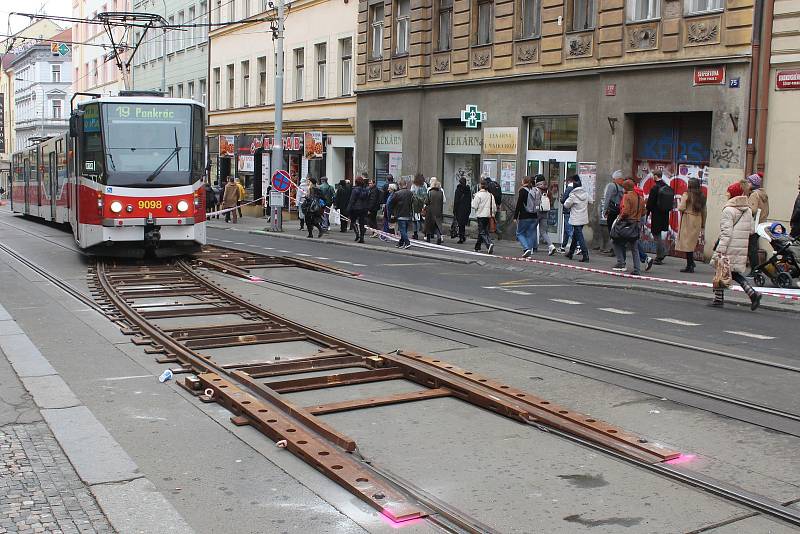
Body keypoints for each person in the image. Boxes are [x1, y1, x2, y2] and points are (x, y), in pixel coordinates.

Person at [711, 182, 761, 310]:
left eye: (728, 192)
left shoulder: (728, 210)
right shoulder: (748, 210)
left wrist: (720, 250)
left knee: (721, 269)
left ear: (732, 194)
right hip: (741, 246)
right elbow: (751, 230)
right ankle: (752, 293)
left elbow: (726, 233)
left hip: (728, 245)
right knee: (732, 272)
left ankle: (719, 299)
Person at [612, 178, 646, 275]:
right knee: (634, 247)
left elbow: (625, 211)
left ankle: (621, 262)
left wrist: (619, 218)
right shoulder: (640, 197)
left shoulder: (626, 196)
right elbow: (644, 211)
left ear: (625, 188)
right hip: (637, 224)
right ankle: (637, 269)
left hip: (627, 223)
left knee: (615, 241)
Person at [675, 178, 707, 273]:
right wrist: (703, 224)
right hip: (697, 219)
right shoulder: (701, 196)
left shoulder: (687, 195)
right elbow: (704, 211)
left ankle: (690, 265)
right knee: (691, 243)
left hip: (688, 219)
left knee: (687, 243)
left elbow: (681, 208)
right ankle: (691, 263)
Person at [646, 170, 672, 265]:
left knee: (656, 234)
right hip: (664, 214)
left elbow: (650, 204)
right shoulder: (667, 187)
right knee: (659, 234)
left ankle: (661, 254)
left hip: (656, 215)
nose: (653, 177)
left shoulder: (655, 188)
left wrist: (647, 213)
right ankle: (662, 252)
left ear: (656, 176)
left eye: (653, 175)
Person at [745, 173, 769, 276]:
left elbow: (753, 210)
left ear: (753, 184)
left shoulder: (754, 194)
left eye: (749, 182)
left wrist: (746, 208)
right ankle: (757, 269)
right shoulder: (763, 194)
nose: (747, 184)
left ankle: (755, 269)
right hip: (762, 223)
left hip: (754, 224)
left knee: (752, 247)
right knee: (754, 245)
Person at [563, 176, 590, 262]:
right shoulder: (585, 194)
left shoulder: (573, 195)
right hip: (583, 217)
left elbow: (566, 205)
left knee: (579, 236)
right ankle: (571, 252)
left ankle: (585, 255)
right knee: (575, 235)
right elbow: (591, 201)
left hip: (575, 218)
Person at [512, 176, 539, 258]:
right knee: (530, 234)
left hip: (525, 216)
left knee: (519, 233)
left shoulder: (522, 191)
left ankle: (526, 248)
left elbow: (519, 204)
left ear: (524, 182)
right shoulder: (535, 190)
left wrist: (515, 216)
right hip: (534, 215)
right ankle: (529, 251)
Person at [471, 180, 497, 254]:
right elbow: (494, 207)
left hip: (481, 215)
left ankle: (489, 244)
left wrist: (473, 199)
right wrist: (492, 214)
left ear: (480, 186)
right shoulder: (490, 195)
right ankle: (477, 247)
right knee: (483, 231)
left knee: (482, 232)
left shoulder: (478, 195)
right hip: (488, 215)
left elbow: (474, 206)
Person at [535, 175, 557, 255]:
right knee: (543, 231)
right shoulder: (547, 190)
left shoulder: (536, 190)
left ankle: (533, 247)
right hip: (545, 212)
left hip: (537, 212)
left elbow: (534, 201)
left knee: (533, 229)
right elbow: (551, 201)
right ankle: (551, 245)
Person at [389, 179, 413, 249]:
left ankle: (407, 243)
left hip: (400, 214)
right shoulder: (410, 193)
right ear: (406, 184)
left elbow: (391, 203)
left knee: (402, 230)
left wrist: (392, 212)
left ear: (399, 185)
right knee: (404, 230)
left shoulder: (397, 194)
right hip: (408, 214)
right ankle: (401, 243)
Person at [603, 170, 625, 241]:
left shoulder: (611, 186)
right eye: (621, 179)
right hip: (620, 211)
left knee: (611, 229)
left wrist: (605, 210)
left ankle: (614, 247)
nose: (622, 180)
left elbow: (607, 198)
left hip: (612, 211)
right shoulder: (623, 188)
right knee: (618, 230)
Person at [347, 176, 370, 243]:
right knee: (362, 223)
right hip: (364, 208)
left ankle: (357, 234)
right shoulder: (366, 190)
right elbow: (367, 200)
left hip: (355, 208)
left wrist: (348, 209)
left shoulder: (355, 190)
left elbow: (352, 200)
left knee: (353, 221)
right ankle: (362, 237)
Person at [423, 177, 446, 244]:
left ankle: (428, 238)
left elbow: (426, 202)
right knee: (438, 225)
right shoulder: (441, 193)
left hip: (430, 211)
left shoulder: (430, 192)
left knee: (429, 225)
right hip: (438, 211)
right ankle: (439, 237)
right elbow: (443, 201)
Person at [453, 177, 472, 244]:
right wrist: (469, 210)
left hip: (459, 209)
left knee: (460, 224)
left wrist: (454, 210)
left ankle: (461, 237)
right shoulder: (468, 190)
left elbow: (456, 201)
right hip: (466, 209)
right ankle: (462, 236)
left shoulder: (458, 190)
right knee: (463, 224)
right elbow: (470, 200)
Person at [560, 175, 575, 253]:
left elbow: (563, 200)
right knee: (566, 229)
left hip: (567, 210)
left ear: (568, 181)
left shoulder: (569, 188)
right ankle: (563, 246)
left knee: (569, 229)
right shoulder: (575, 188)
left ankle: (579, 245)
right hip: (572, 210)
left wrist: (561, 198)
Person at [411, 174, 428, 240]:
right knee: (423, 220)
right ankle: (425, 234)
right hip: (423, 205)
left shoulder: (413, 185)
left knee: (415, 220)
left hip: (415, 206)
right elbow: (426, 195)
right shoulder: (425, 185)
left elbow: (412, 195)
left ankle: (415, 234)